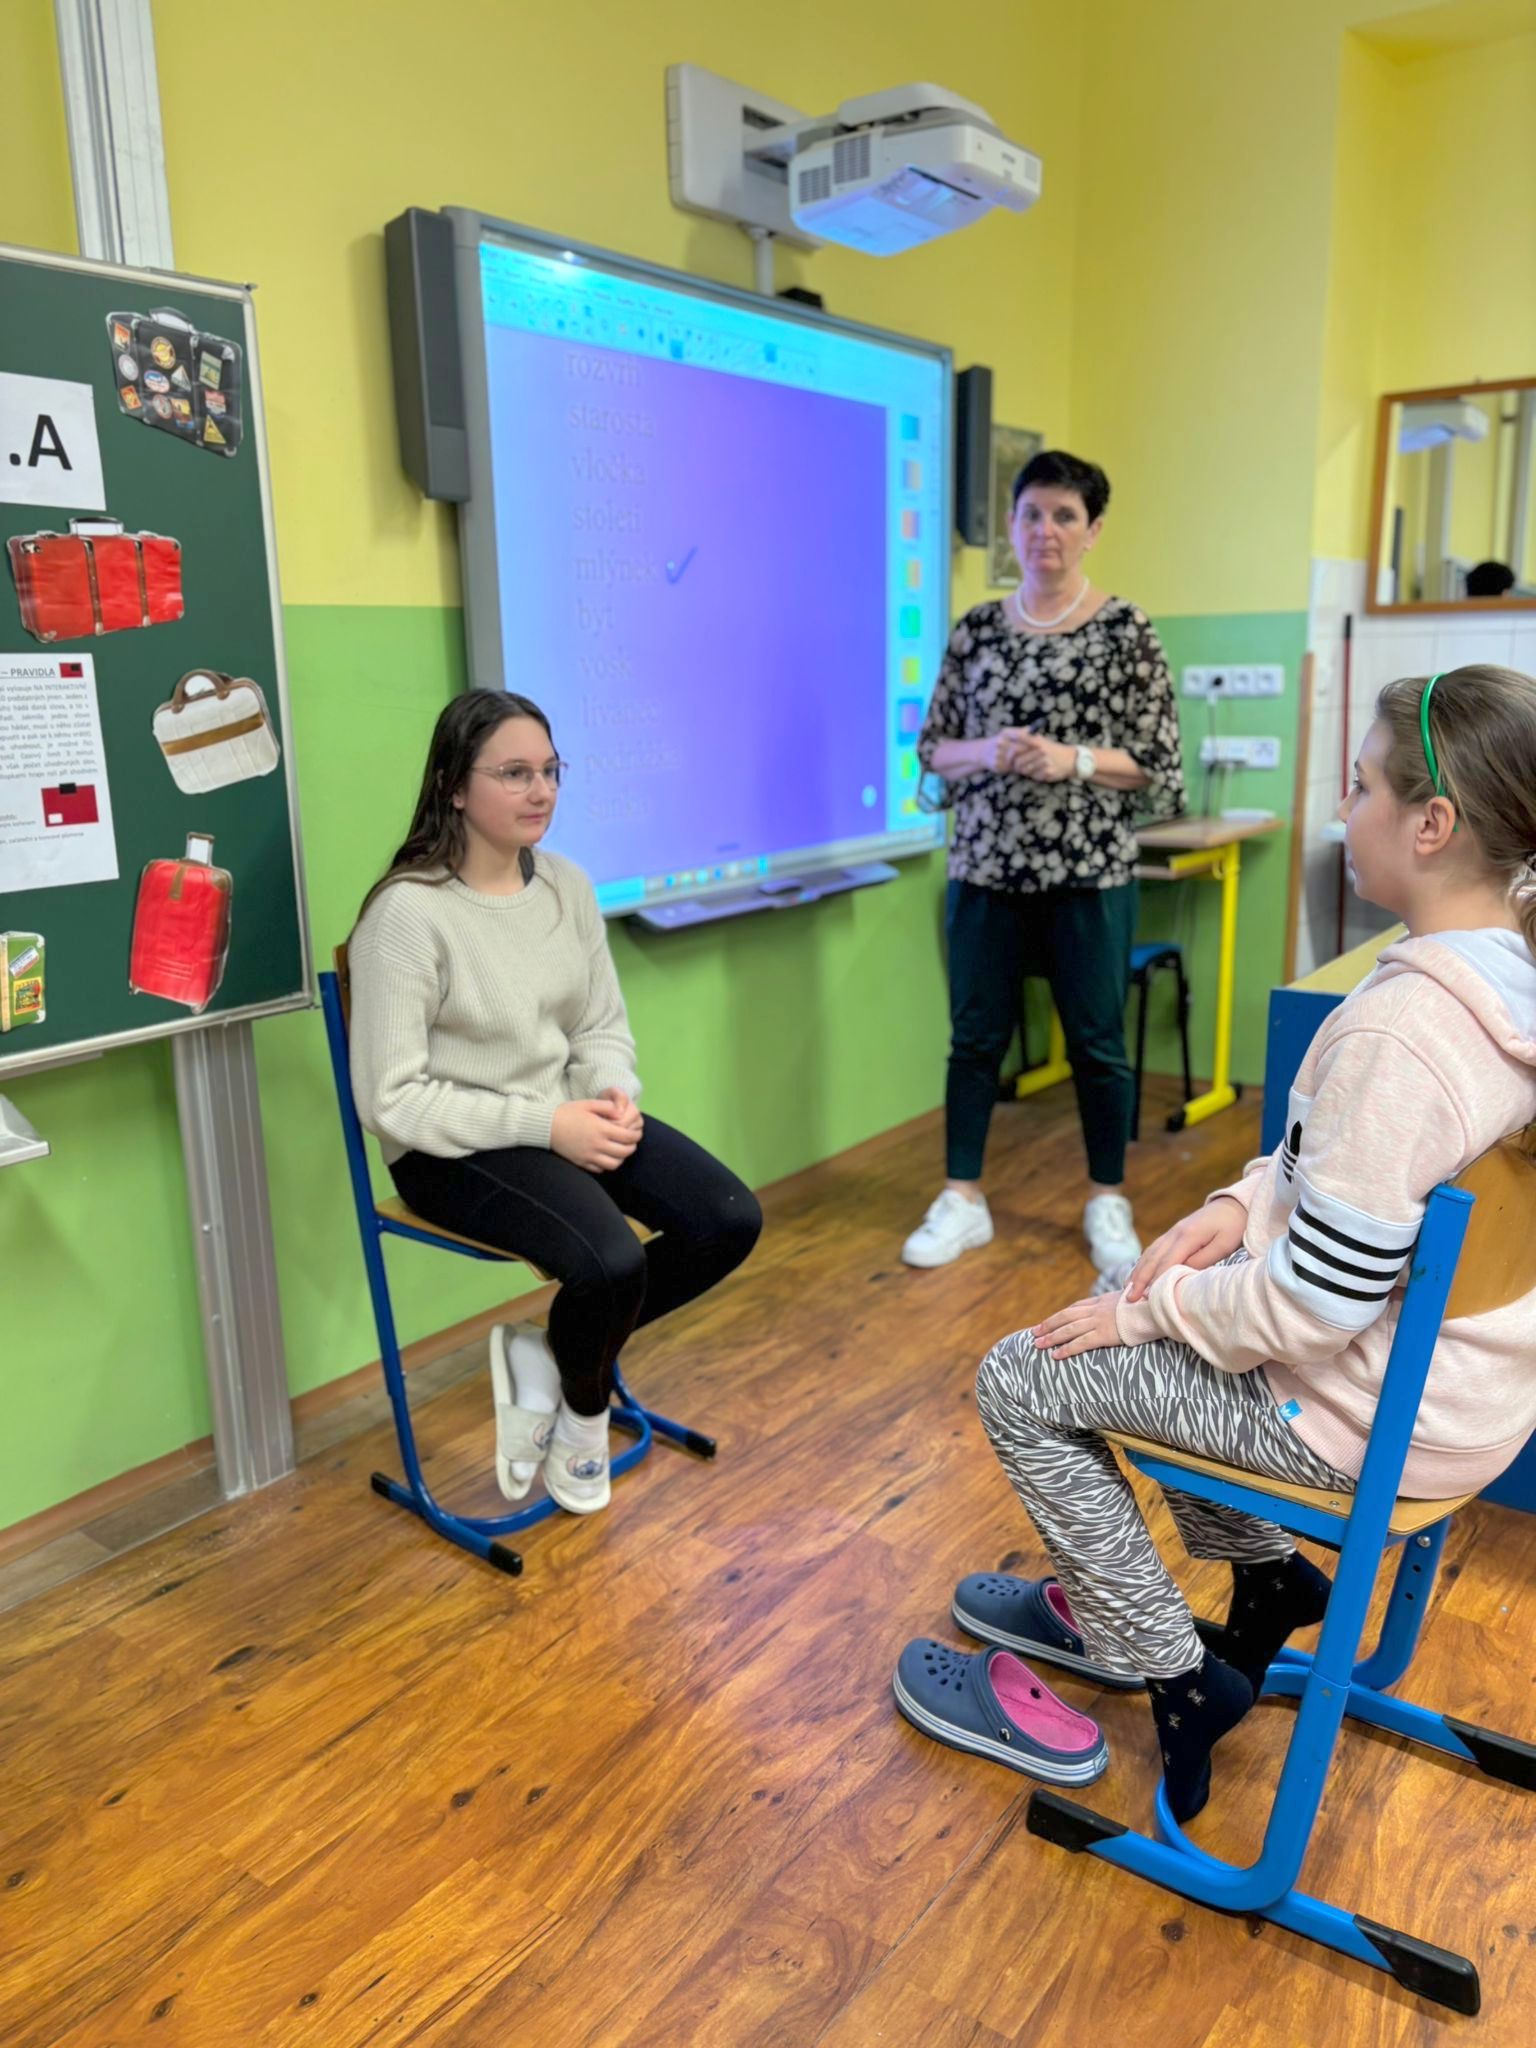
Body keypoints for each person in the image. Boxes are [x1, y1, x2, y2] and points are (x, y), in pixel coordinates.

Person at [897, 663, 1536, 1821]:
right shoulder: (1507, 982)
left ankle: (1178, 1677)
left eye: (1362, 786)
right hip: (1470, 1402)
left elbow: (1310, 1311)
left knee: (1022, 1374)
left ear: (1433, 825)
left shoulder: (1406, 1032)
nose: (1344, 806)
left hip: (1364, 1418)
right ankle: (1268, 1573)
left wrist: (1144, 1313)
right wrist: (1240, 1206)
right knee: (1156, 1285)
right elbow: (1331, 1171)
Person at [347, 690, 762, 1515]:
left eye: (550, 771)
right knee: (610, 1264)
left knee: (726, 1220)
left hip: (564, 1115)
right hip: (449, 1148)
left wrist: (612, 1094)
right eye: (514, 774)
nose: (540, 791)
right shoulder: (406, 915)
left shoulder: (566, 884)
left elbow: (599, 1024)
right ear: (454, 787)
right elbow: (390, 1100)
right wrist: (548, 1125)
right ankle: (584, 1411)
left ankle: (552, 1353)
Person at [903, 449, 1184, 1277]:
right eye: (1032, 514)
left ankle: (1107, 1198)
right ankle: (962, 1198)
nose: (1045, 531)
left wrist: (1075, 760)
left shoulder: (1125, 628)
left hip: (1089, 874)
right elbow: (933, 748)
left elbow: (1158, 761)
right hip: (985, 869)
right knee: (974, 1040)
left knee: (1097, 1043)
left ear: (1092, 531)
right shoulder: (978, 630)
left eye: (1065, 516)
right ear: (1012, 525)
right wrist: (988, 749)